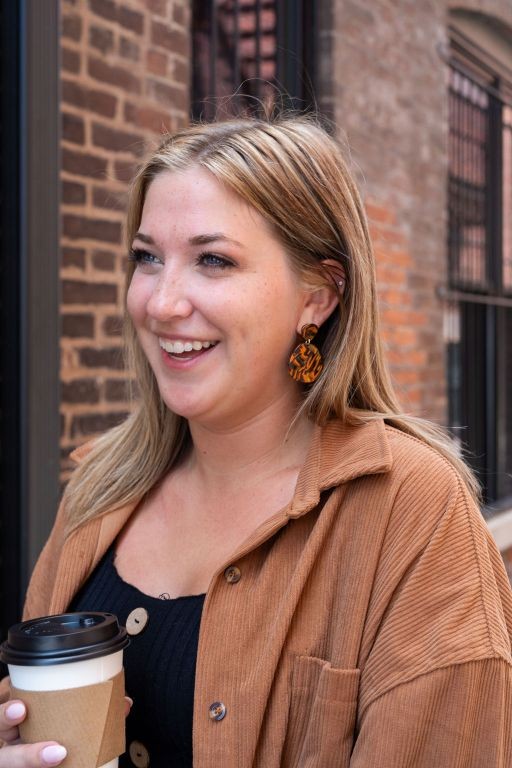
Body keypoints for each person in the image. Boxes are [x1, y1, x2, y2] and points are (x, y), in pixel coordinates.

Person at [0, 114, 511, 768]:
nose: (160, 303)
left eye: (213, 260)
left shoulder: (412, 511)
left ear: (318, 296)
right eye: (147, 258)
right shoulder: (101, 487)